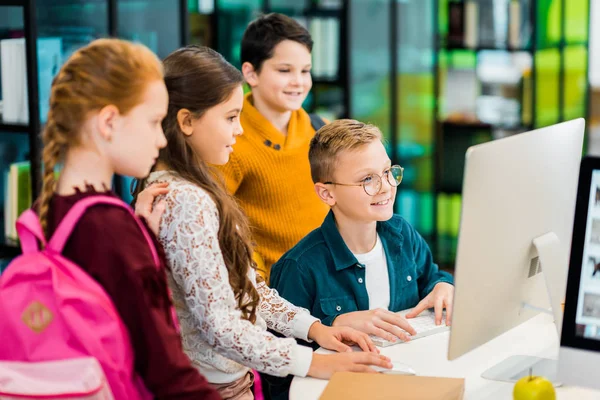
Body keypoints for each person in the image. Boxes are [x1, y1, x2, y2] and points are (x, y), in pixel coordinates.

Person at [133, 47, 391, 400]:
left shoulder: (190, 189)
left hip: (230, 381)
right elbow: (220, 326)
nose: (240, 130)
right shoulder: (186, 200)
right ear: (186, 122)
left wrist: (314, 328)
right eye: (230, 117)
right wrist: (311, 362)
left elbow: (249, 290)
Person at [38, 38, 220, 399]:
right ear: (108, 121)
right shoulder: (111, 232)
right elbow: (166, 372)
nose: (161, 140)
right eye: (154, 122)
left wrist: (141, 235)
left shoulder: (54, 208)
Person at [270, 119, 455, 345]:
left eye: (387, 171)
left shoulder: (403, 234)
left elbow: (432, 276)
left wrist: (442, 286)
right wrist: (332, 324)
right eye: (367, 179)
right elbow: (281, 360)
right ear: (327, 194)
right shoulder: (298, 268)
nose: (386, 186)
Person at [214, 13, 330, 282]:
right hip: (272, 298)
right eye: (284, 70)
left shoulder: (320, 129)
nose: (299, 81)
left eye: (305, 70)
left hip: (327, 287)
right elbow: (222, 231)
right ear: (250, 73)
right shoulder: (227, 140)